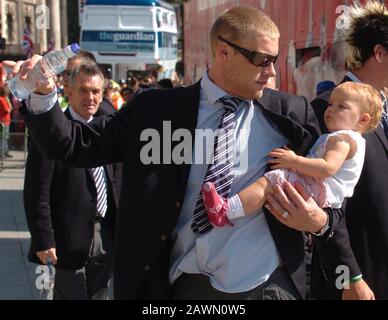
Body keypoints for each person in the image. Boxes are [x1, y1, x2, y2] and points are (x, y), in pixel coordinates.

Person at [8, 5, 358, 300]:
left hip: (268, 285)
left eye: (274, 60)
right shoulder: (154, 111)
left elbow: (335, 193)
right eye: (261, 60)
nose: (271, 71)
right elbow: (74, 145)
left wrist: (340, 256)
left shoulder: (291, 113)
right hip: (182, 285)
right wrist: (42, 95)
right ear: (224, 52)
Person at [201, 82, 382, 227]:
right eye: (331, 104)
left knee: (272, 181)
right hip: (320, 190)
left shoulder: (342, 140)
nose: (331, 109)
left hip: (320, 188)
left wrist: (294, 161)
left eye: (341, 106)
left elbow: (327, 168)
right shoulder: (345, 139)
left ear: (363, 119)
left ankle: (226, 210)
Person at [310, 0, 388, 300]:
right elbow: (325, 202)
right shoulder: (328, 109)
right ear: (379, 52)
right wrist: (348, 276)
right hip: (357, 280)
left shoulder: (380, 106)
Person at [23, 64, 121, 300]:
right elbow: (37, 191)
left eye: (96, 91)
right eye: (84, 90)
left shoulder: (108, 128)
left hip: (106, 234)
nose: (91, 97)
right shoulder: (53, 132)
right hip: (68, 240)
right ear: (69, 91)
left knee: (100, 295)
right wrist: (43, 239)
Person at [0, 86, 13, 158]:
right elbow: (8, 110)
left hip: (6, 121)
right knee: (3, 137)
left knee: (5, 137)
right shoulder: (2, 99)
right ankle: (2, 152)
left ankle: (5, 151)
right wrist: (8, 102)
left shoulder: (3, 99)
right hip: (3, 121)